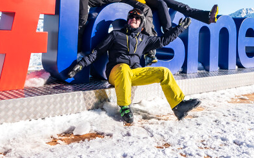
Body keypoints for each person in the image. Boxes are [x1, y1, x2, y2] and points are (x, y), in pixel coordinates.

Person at [67, 7, 201, 124]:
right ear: (128, 20)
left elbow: (163, 40)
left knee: (164, 72)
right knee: (124, 68)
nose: (134, 19)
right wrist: (80, 65)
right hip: (116, 72)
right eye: (131, 17)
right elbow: (97, 52)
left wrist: (179, 28)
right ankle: (125, 107)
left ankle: (178, 105)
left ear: (141, 25)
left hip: (133, 73)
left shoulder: (144, 39)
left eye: (137, 18)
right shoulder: (115, 35)